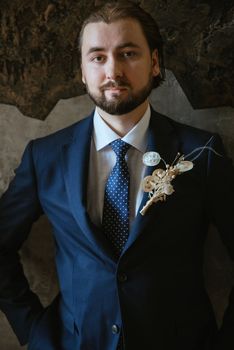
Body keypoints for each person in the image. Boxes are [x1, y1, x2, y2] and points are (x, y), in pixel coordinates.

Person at [0, 1, 234, 349]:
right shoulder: (44, 157)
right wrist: (34, 332)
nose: (113, 71)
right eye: (98, 56)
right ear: (82, 70)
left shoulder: (203, 152)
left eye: (128, 53)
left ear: (155, 63)